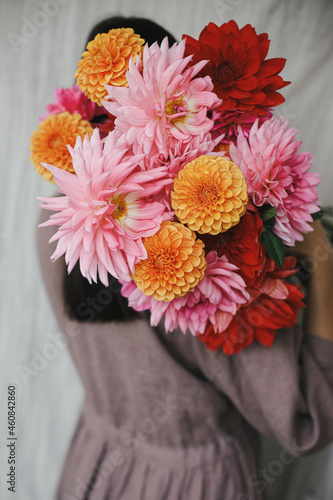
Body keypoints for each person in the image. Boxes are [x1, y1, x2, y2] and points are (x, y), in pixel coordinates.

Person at [37, 17, 333, 500]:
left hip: (92, 467)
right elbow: (308, 422)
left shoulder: (53, 227)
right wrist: (322, 261)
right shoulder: (206, 278)